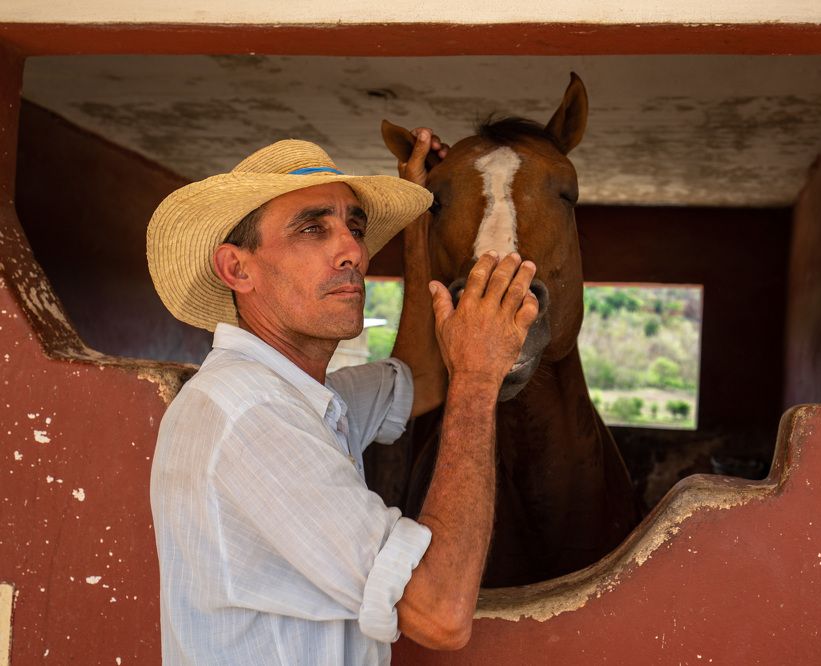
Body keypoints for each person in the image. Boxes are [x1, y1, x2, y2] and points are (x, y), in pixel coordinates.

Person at [147, 131, 538, 665]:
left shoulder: (299, 395)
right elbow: (440, 610)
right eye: (312, 229)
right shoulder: (253, 413)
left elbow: (421, 377)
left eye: (355, 228)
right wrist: (476, 378)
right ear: (238, 269)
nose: (354, 250)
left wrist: (418, 220)